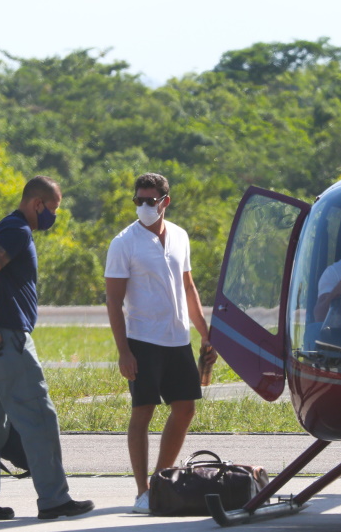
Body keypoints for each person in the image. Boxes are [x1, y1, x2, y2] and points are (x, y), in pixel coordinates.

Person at [0, 176, 94, 521]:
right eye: (52, 208)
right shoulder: (17, 230)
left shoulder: (7, 226)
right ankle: (54, 500)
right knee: (39, 416)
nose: (53, 215)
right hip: (5, 335)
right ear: (37, 204)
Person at [105, 172, 214, 515]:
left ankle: (161, 481)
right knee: (143, 412)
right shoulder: (124, 242)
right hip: (143, 340)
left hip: (177, 338)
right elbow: (113, 302)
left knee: (185, 409)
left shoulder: (180, 236)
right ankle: (142, 490)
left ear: (165, 201)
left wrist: (206, 333)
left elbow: (189, 286)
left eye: (150, 201)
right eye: (138, 201)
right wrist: (124, 351)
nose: (143, 207)